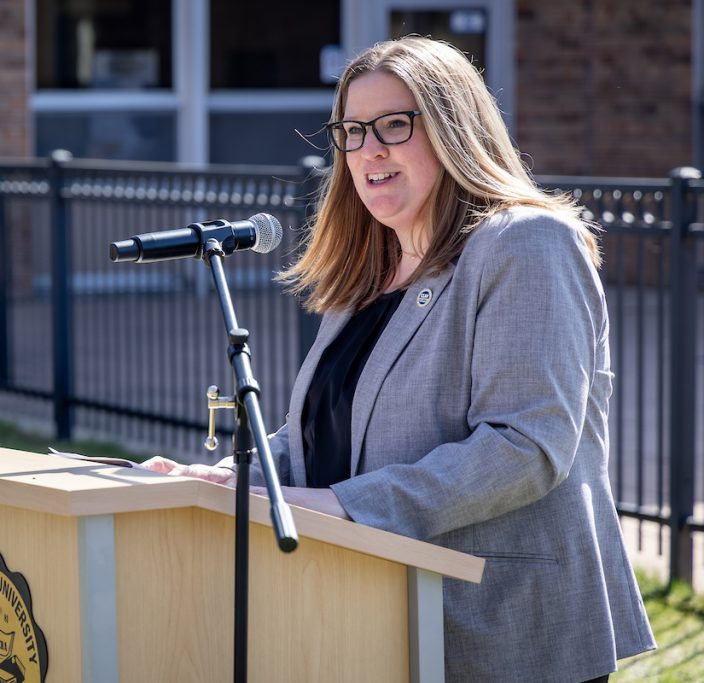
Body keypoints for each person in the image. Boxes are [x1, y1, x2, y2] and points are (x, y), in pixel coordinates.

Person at [143, 36, 656, 682]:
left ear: (452, 128)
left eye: (394, 124)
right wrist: (227, 480)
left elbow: (524, 447)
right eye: (352, 131)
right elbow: (323, 430)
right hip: (373, 620)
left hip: (504, 634)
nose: (369, 150)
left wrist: (342, 503)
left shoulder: (526, 244)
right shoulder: (370, 269)